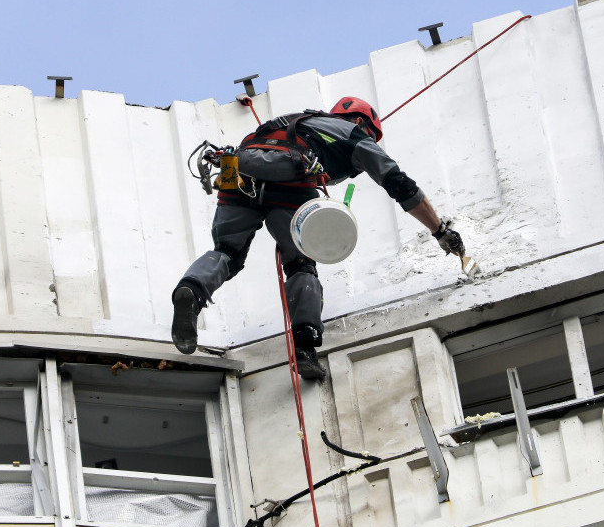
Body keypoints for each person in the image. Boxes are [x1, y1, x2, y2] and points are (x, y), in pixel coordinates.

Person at [171, 97, 466, 379]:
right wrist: (440, 230)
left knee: (227, 252)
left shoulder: (296, 122)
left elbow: (264, 150)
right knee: (301, 263)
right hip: (291, 179)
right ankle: (305, 346)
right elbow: (397, 182)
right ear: (362, 124)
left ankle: (191, 291)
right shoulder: (355, 135)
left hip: (236, 169)